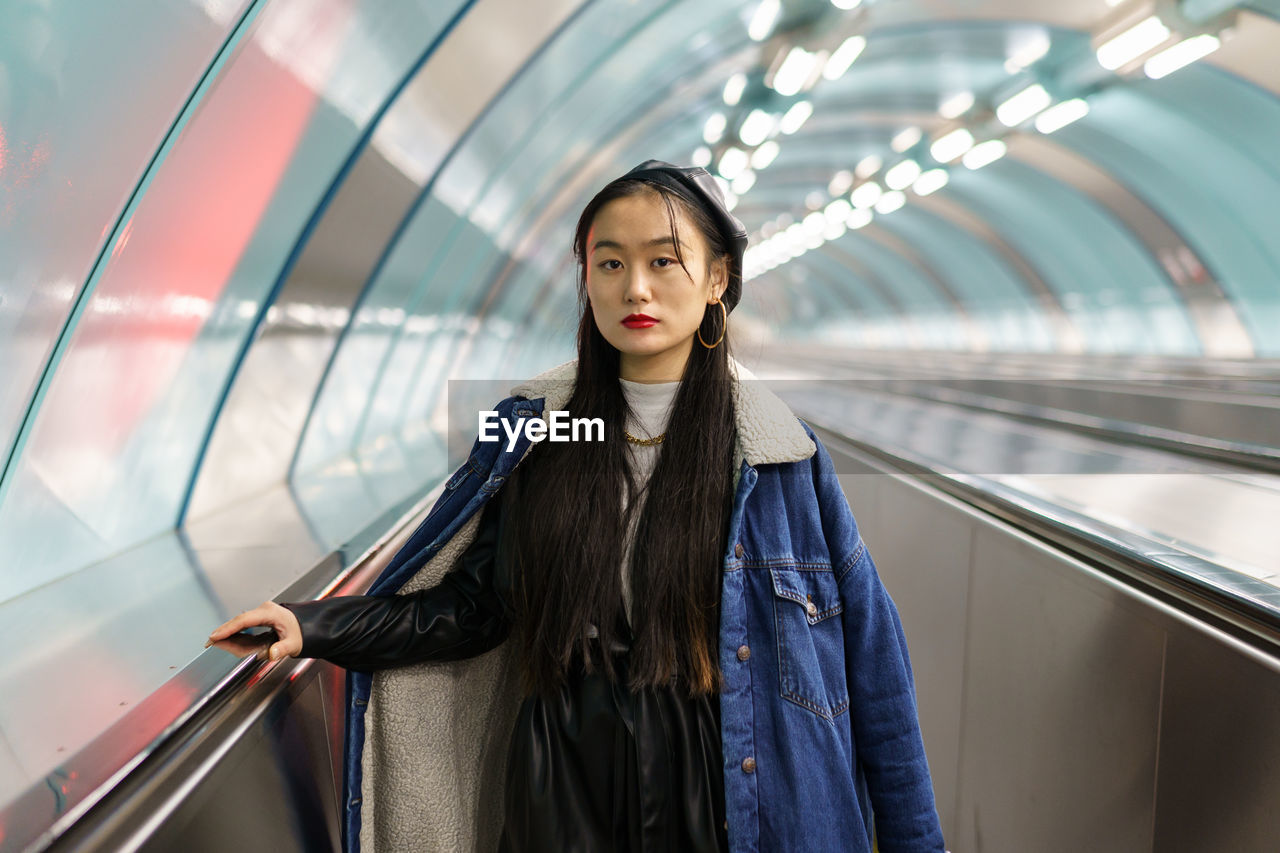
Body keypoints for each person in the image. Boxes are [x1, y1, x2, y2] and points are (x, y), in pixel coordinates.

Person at [206, 160, 946, 853]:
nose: (636, 289)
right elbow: (475, 605)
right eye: (611, 262)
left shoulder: (779, 460)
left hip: (723, 794)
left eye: (664, 260)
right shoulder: (541, 435)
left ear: (719, 277)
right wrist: (315, 624)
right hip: (561, 787)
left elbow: (875, 672)